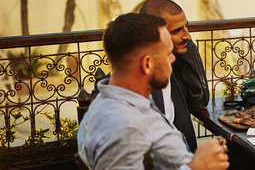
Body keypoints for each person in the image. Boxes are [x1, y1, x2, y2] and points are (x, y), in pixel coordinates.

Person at [78, 13, 228, 170]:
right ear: (147, 64)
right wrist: (197, 166)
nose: (173, 59)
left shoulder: (115, 100)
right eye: (167, 53)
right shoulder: (124, 127)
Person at [140, 0, 210, 151]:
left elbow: (199, 101)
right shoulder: (141, 84)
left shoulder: (173, 67)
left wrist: (187, 48)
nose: (188, 35)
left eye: (186, 27)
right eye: (177, 30)